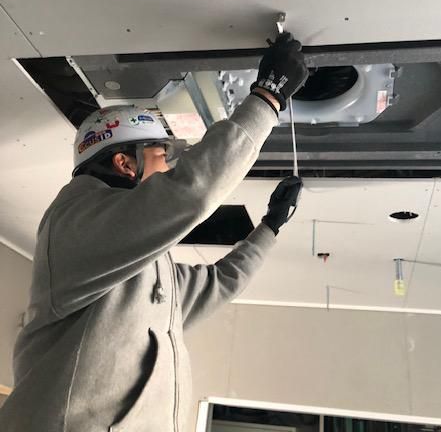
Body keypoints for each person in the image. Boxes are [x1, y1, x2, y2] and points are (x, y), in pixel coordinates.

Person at [0, 33, 308, 432]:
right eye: (163, 155)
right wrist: (267, 97)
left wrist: (270, 226)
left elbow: (220, 282)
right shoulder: (73, 225)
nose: (169, 167)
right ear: (125, 164)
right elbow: (189, 193)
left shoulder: (133, 261)